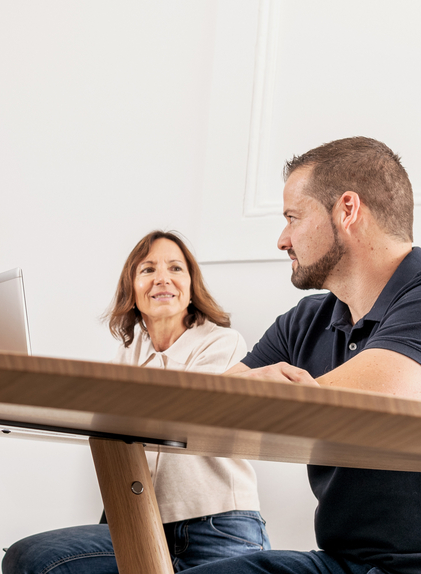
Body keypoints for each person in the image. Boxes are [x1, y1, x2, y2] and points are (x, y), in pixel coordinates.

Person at [184, 136, 421, 574]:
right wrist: (246, 393)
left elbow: (392, 385)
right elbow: (210, 413)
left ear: (347, 210)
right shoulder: (306, 320)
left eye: (293, 217)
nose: (282, 239)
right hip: (343, 562)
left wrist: (265, 394)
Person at [2, 230, 270, 574]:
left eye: (175, 268)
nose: (162, 279)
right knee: (29, 559)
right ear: (131, 290)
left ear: (191, 286)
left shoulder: (223, 344)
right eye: (148, 270)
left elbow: (181, 413)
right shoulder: (130, 350)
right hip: (142, 520)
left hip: (217, 526)